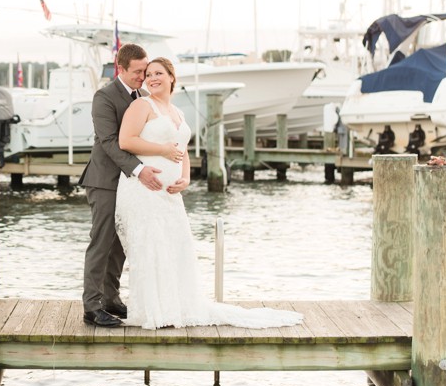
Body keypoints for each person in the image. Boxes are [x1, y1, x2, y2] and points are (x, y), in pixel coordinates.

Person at [114, 57, 303, 330]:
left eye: (158, 73)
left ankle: (174, 306)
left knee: (175, 247)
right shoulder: (141, 105)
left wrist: (186, 177)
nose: (152, 78)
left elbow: (182, 150)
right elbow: (126, 141)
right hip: (143, 189)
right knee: (152, 248)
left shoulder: (176, 112)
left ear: (171, 77)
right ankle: (153, 311)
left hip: (169, 193)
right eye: (148, 74)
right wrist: (163, 151)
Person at [79, 43, 165, 327]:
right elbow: (109, 142)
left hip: (129, 185)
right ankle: (91, 307)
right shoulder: (103, 97)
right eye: (138, 71)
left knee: (120, 243)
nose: (143, 76)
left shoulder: (142, 97)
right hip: (104, 180)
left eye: (146, 70)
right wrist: (139, 171)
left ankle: (111, 298)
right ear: (121, 69)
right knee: (102, 241)